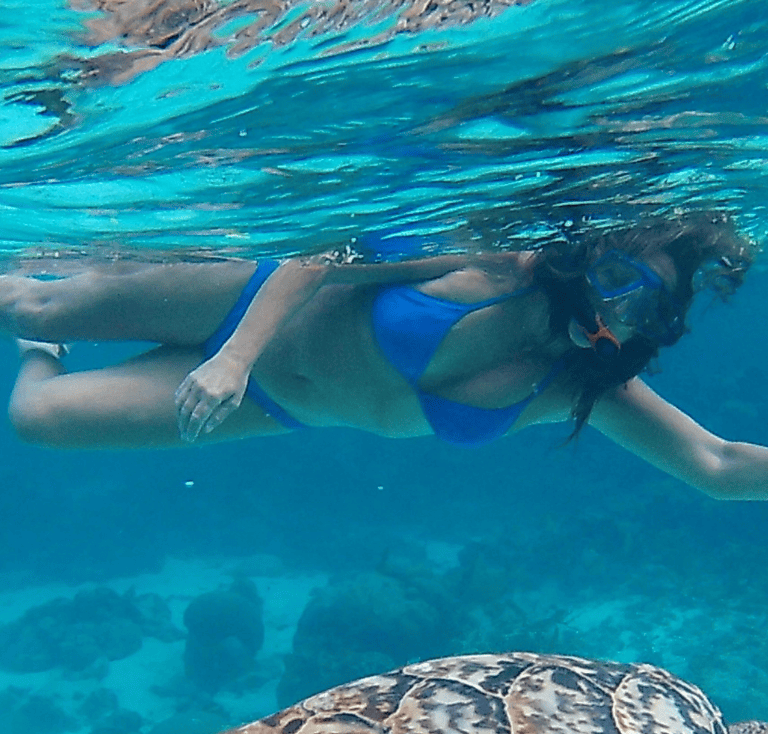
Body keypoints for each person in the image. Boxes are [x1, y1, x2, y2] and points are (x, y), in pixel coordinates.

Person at [2, 211, 765, 499]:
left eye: (649, 308)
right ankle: (43, 318)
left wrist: (243, 377)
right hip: (244, 311)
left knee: (38, 417)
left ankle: (45, 351)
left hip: (274, 402)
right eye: (616, 279)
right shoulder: (496, 264)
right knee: (29, 299)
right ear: (589, 258)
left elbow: (719, 465)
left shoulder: (577, 386)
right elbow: (323, 256)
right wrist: (233, 356)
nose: (617, 312)